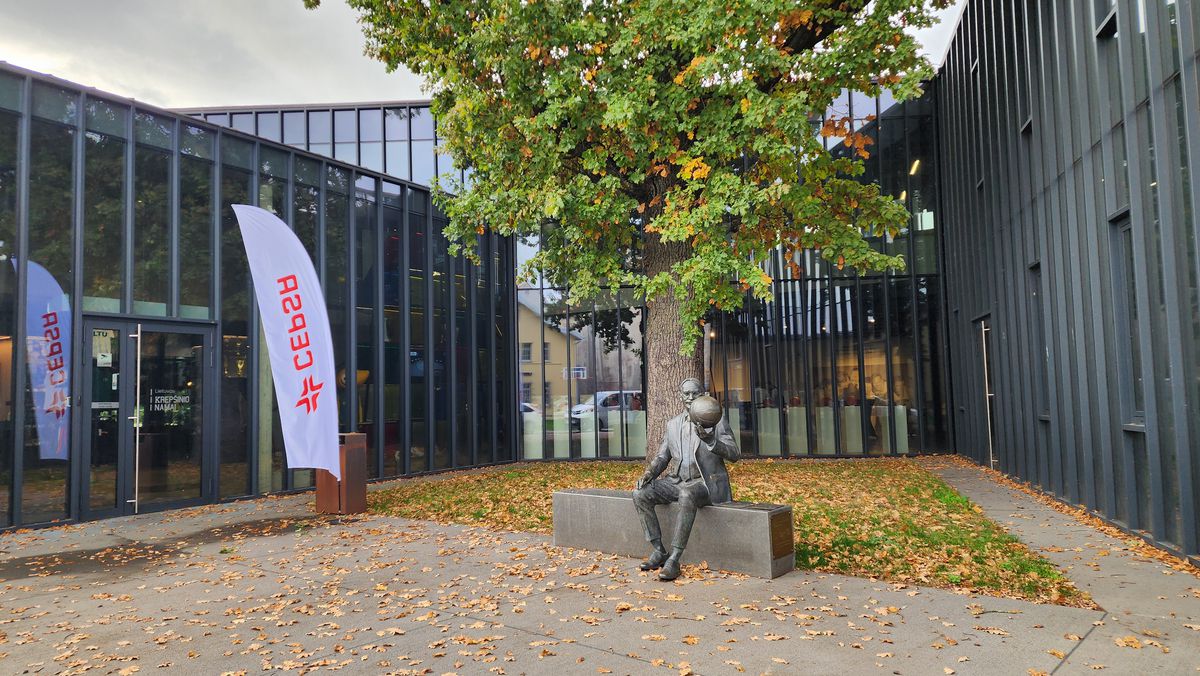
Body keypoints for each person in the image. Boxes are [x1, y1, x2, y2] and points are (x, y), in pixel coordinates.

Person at [632, 378, 740, 581]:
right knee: (640, 492)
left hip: (705, 483)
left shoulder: (716, 420)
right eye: (686, 394)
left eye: (695, 394)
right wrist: (648, 474)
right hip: (677, 481)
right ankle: (658, 550)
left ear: (703, 395)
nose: (690, 398)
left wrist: (712, 441)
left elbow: (734, 453)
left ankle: (674, 558)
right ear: (680, 396)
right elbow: (663, 457)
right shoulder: (672, 424)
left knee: (687, 494)